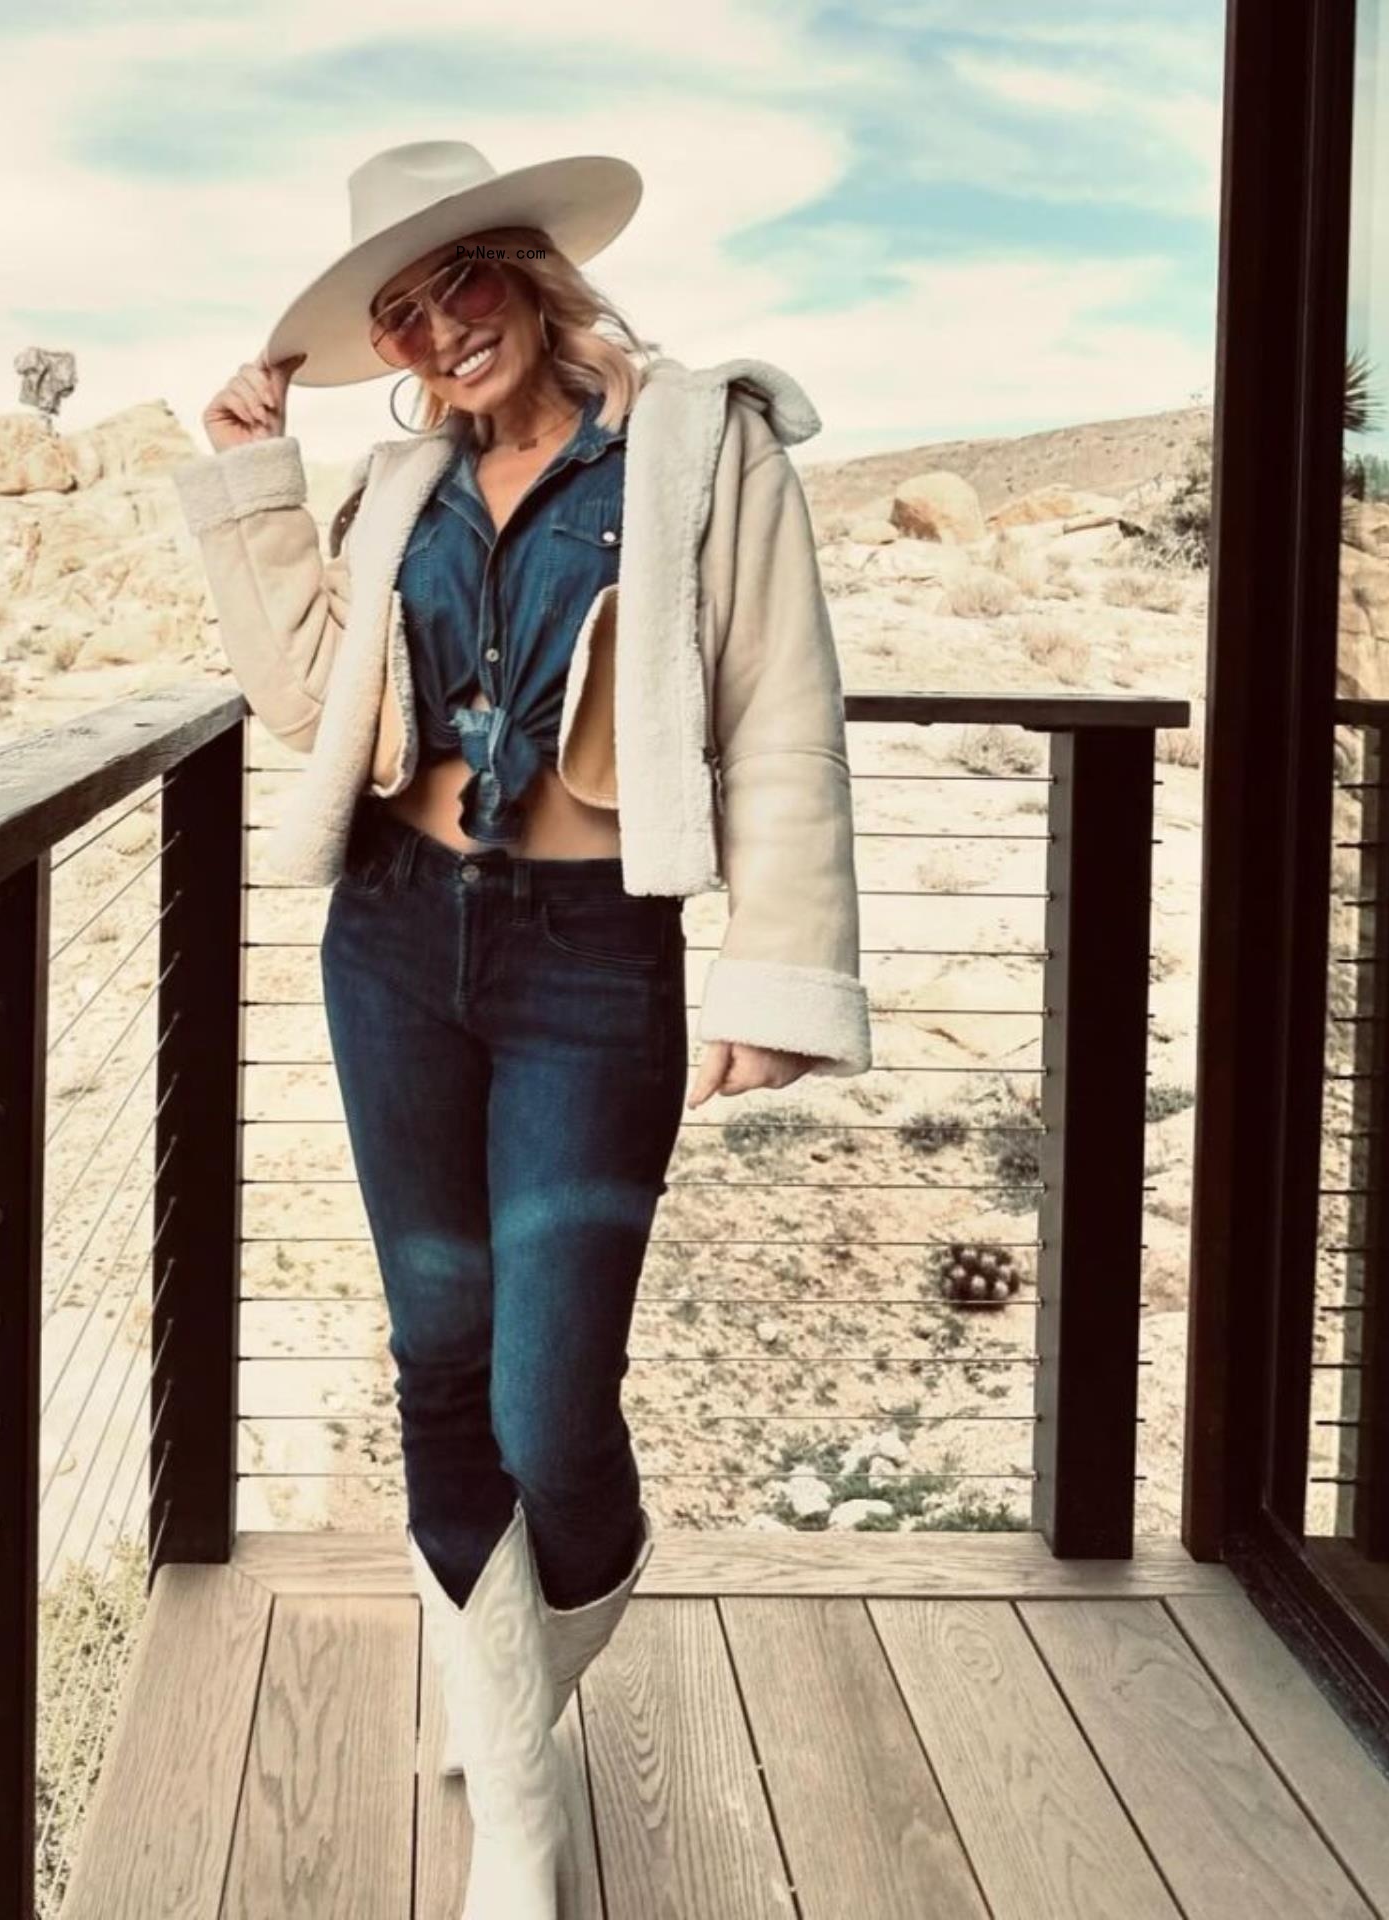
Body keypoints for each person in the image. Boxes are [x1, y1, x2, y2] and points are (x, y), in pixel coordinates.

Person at [172, 139, 870, 1919]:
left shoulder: (701, 444)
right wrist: (254, 488)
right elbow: (311, 702)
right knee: (438, 1360)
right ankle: (519, 1810)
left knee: (551, 1401)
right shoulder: (398, 482)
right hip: (395, 940)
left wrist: (777, 971)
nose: (436, 332)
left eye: (456, 284)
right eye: (399, 316)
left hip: (594, 960)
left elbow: (779, 707)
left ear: (528, 268)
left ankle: (511, 1699)